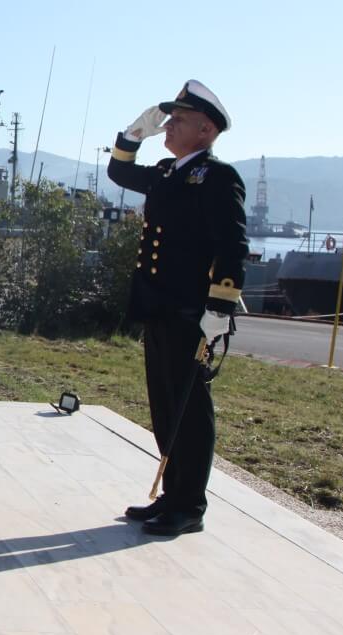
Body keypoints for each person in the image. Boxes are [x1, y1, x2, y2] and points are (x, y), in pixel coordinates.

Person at [106, 80, 247, 536]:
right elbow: (120, 174)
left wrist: (220, 309)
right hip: (159, 305)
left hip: (192, 311)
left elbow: (232, 247)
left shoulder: (218, 177)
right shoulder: (168, 171)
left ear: (205, 129)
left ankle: (190, 505)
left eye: (179, 119)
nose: (168, 124)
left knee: (190, 407)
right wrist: (132, 136)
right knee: (165, 405)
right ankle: (172, 492)